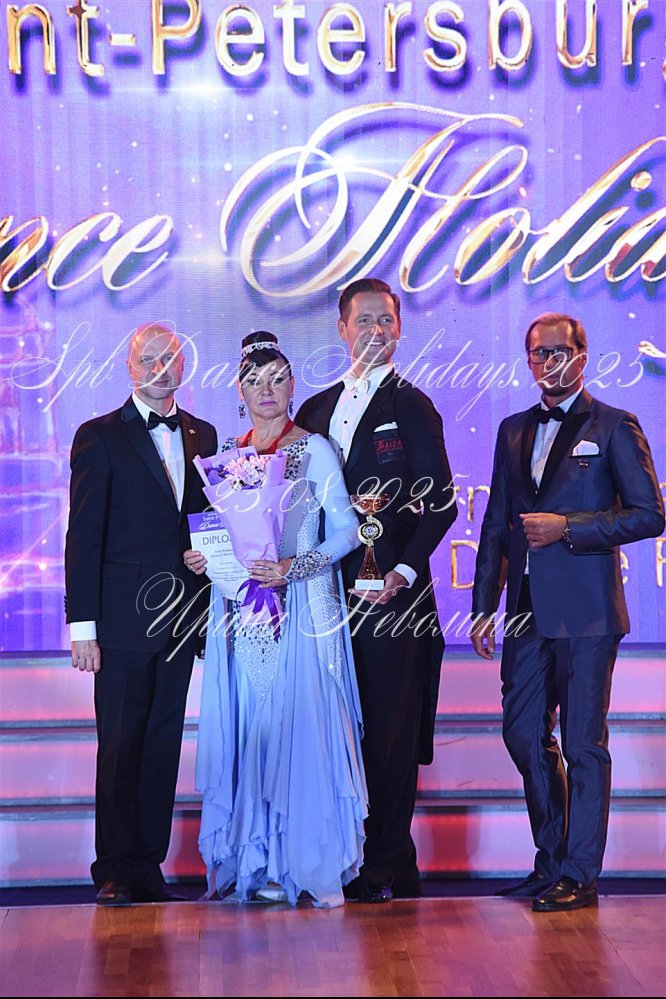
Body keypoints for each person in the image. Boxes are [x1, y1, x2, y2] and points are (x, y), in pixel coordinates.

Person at [471, 312, 664, 912]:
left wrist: (569, 527)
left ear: (582, 355)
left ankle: (579, 873)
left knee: (583, 743)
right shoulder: (512, 429)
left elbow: (650, 514)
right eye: (538, 352)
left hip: (587, 612)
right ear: (528, 360)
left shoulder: (614, 424)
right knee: (523, 733)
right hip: (526, 610)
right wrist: (484, 605)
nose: (548, 361)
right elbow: (497, 524)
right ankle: (552, 859)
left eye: (560, 351)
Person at [185, 331, 367, 909]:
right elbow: (220, 533)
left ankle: (299, 860)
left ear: (293, 386)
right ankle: (255, 860)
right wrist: (203, 558)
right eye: (254, 381)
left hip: (301, 609)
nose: (266, 390)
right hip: (241, 611)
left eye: (278, 379)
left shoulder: (315, 449)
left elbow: (347, 532)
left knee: (297, 726)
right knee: (251, 727)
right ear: (239, 392)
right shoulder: (227, 455)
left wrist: (292, 567)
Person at [296, 278, 458, 902]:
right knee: (335, 727)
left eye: (385, 320)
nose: (375, 330)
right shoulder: (314, 410)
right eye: (363, 320)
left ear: (399, 329)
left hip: (393, 599)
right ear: (342, 328)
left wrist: (404, 572)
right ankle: (350, 855)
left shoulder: (413, 406)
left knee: (389, 731)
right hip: (322, 595)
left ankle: (383, 864)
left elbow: (440, 503)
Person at [65, 322, 217, 905]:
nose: (160, 367)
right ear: (130, 368)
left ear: (183, 365)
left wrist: (211, 560)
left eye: (169, 357)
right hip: (122, 621)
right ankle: (113, 868)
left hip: (181, 617)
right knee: (121, 743)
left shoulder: (204, 434)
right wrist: (84, 627)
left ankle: (148, 864)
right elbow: (83, 537)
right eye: (148, 359)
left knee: (161, 743)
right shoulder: (99, 436)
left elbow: (208, 521)